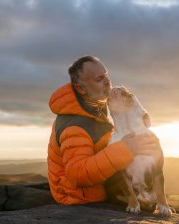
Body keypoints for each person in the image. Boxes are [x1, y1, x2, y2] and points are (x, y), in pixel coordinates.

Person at [47, 55, 158, 205]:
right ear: (81, 88)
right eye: (99, 79)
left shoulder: (92, 107)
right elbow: (77, 174)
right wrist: (125, 149)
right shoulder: (75, 126)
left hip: (96, 180)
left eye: (106, 75)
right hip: (78, 195)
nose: (107, 82)